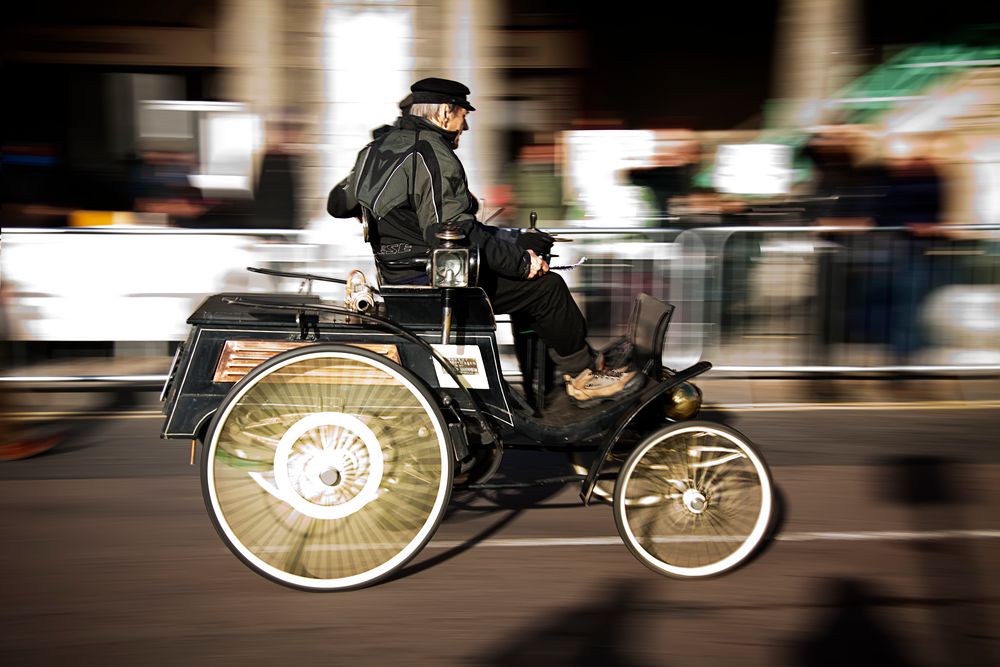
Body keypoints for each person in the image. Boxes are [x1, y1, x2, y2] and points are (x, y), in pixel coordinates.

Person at [327, 77, 644, 406]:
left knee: (529, 286)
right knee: (548, 289)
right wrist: (522, 262)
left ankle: (559, 383)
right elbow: (452, 231)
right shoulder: (431, 152)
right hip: (437, 285)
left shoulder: (376, 150)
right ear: (445, 114)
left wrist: (513, 240)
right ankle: (584, 376)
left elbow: (338, 204)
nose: (464, 127)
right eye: (464, 116)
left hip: (399, 280)